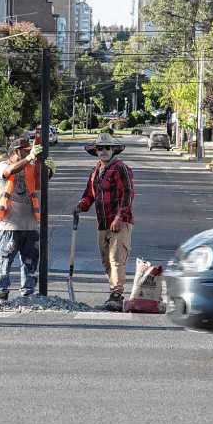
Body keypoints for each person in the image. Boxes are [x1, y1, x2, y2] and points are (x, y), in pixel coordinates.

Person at [73, 133, 134, 311]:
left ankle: (117, 294)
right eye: (100, 148)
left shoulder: (120, 168)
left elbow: (127, 194)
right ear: (96, 151)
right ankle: (113, 291)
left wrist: (119, 217)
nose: (104, 151)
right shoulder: (96, 171)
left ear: (113, 150)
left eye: (107, 148)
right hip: (102, 223)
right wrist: (80, 206)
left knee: (116, 258)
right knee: (106, 260)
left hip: (119, 222)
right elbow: (89, 195)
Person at [0, 138, 56, 304]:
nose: (29, 153)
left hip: (30, 224)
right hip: (10, 225)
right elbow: (10, 171)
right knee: (5, 260)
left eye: (30, 150)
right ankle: (1, 294)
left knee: (30, 262)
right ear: (16, 151)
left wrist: (48, 171)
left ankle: (27, 294)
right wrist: (29, 158)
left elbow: (39, 185)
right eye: (26, 150)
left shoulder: (29, 167)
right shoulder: (2, 166)